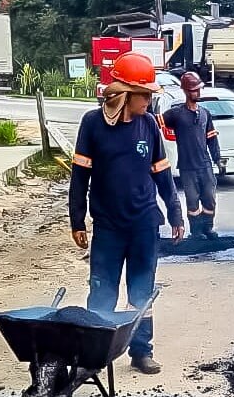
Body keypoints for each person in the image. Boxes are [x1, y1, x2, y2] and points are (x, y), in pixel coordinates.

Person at [69, 52, 185, 375]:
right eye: (144, 94)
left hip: (144, 224)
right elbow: (80, 176)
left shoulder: (149, 125)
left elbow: (163, 173)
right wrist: (76, 219)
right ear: (124, 94)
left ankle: (141, 350)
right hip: (107, 226)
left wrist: (175, 213)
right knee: (102, 291)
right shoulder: (92, 125)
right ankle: (95, 355)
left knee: (141, 291)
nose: (148, 100)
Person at [159, 71, 222, 240]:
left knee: (209, 198)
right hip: (187, 167)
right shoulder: (176, 114)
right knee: (192, 201)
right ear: (186, 91)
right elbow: (154, 122)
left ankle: (207, 228)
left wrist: (218, 159)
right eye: (194, 90)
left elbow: (211, 138)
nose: (198, 93)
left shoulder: (205, 114)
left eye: (199, 89)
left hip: (205, 165)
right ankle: (196, 231)